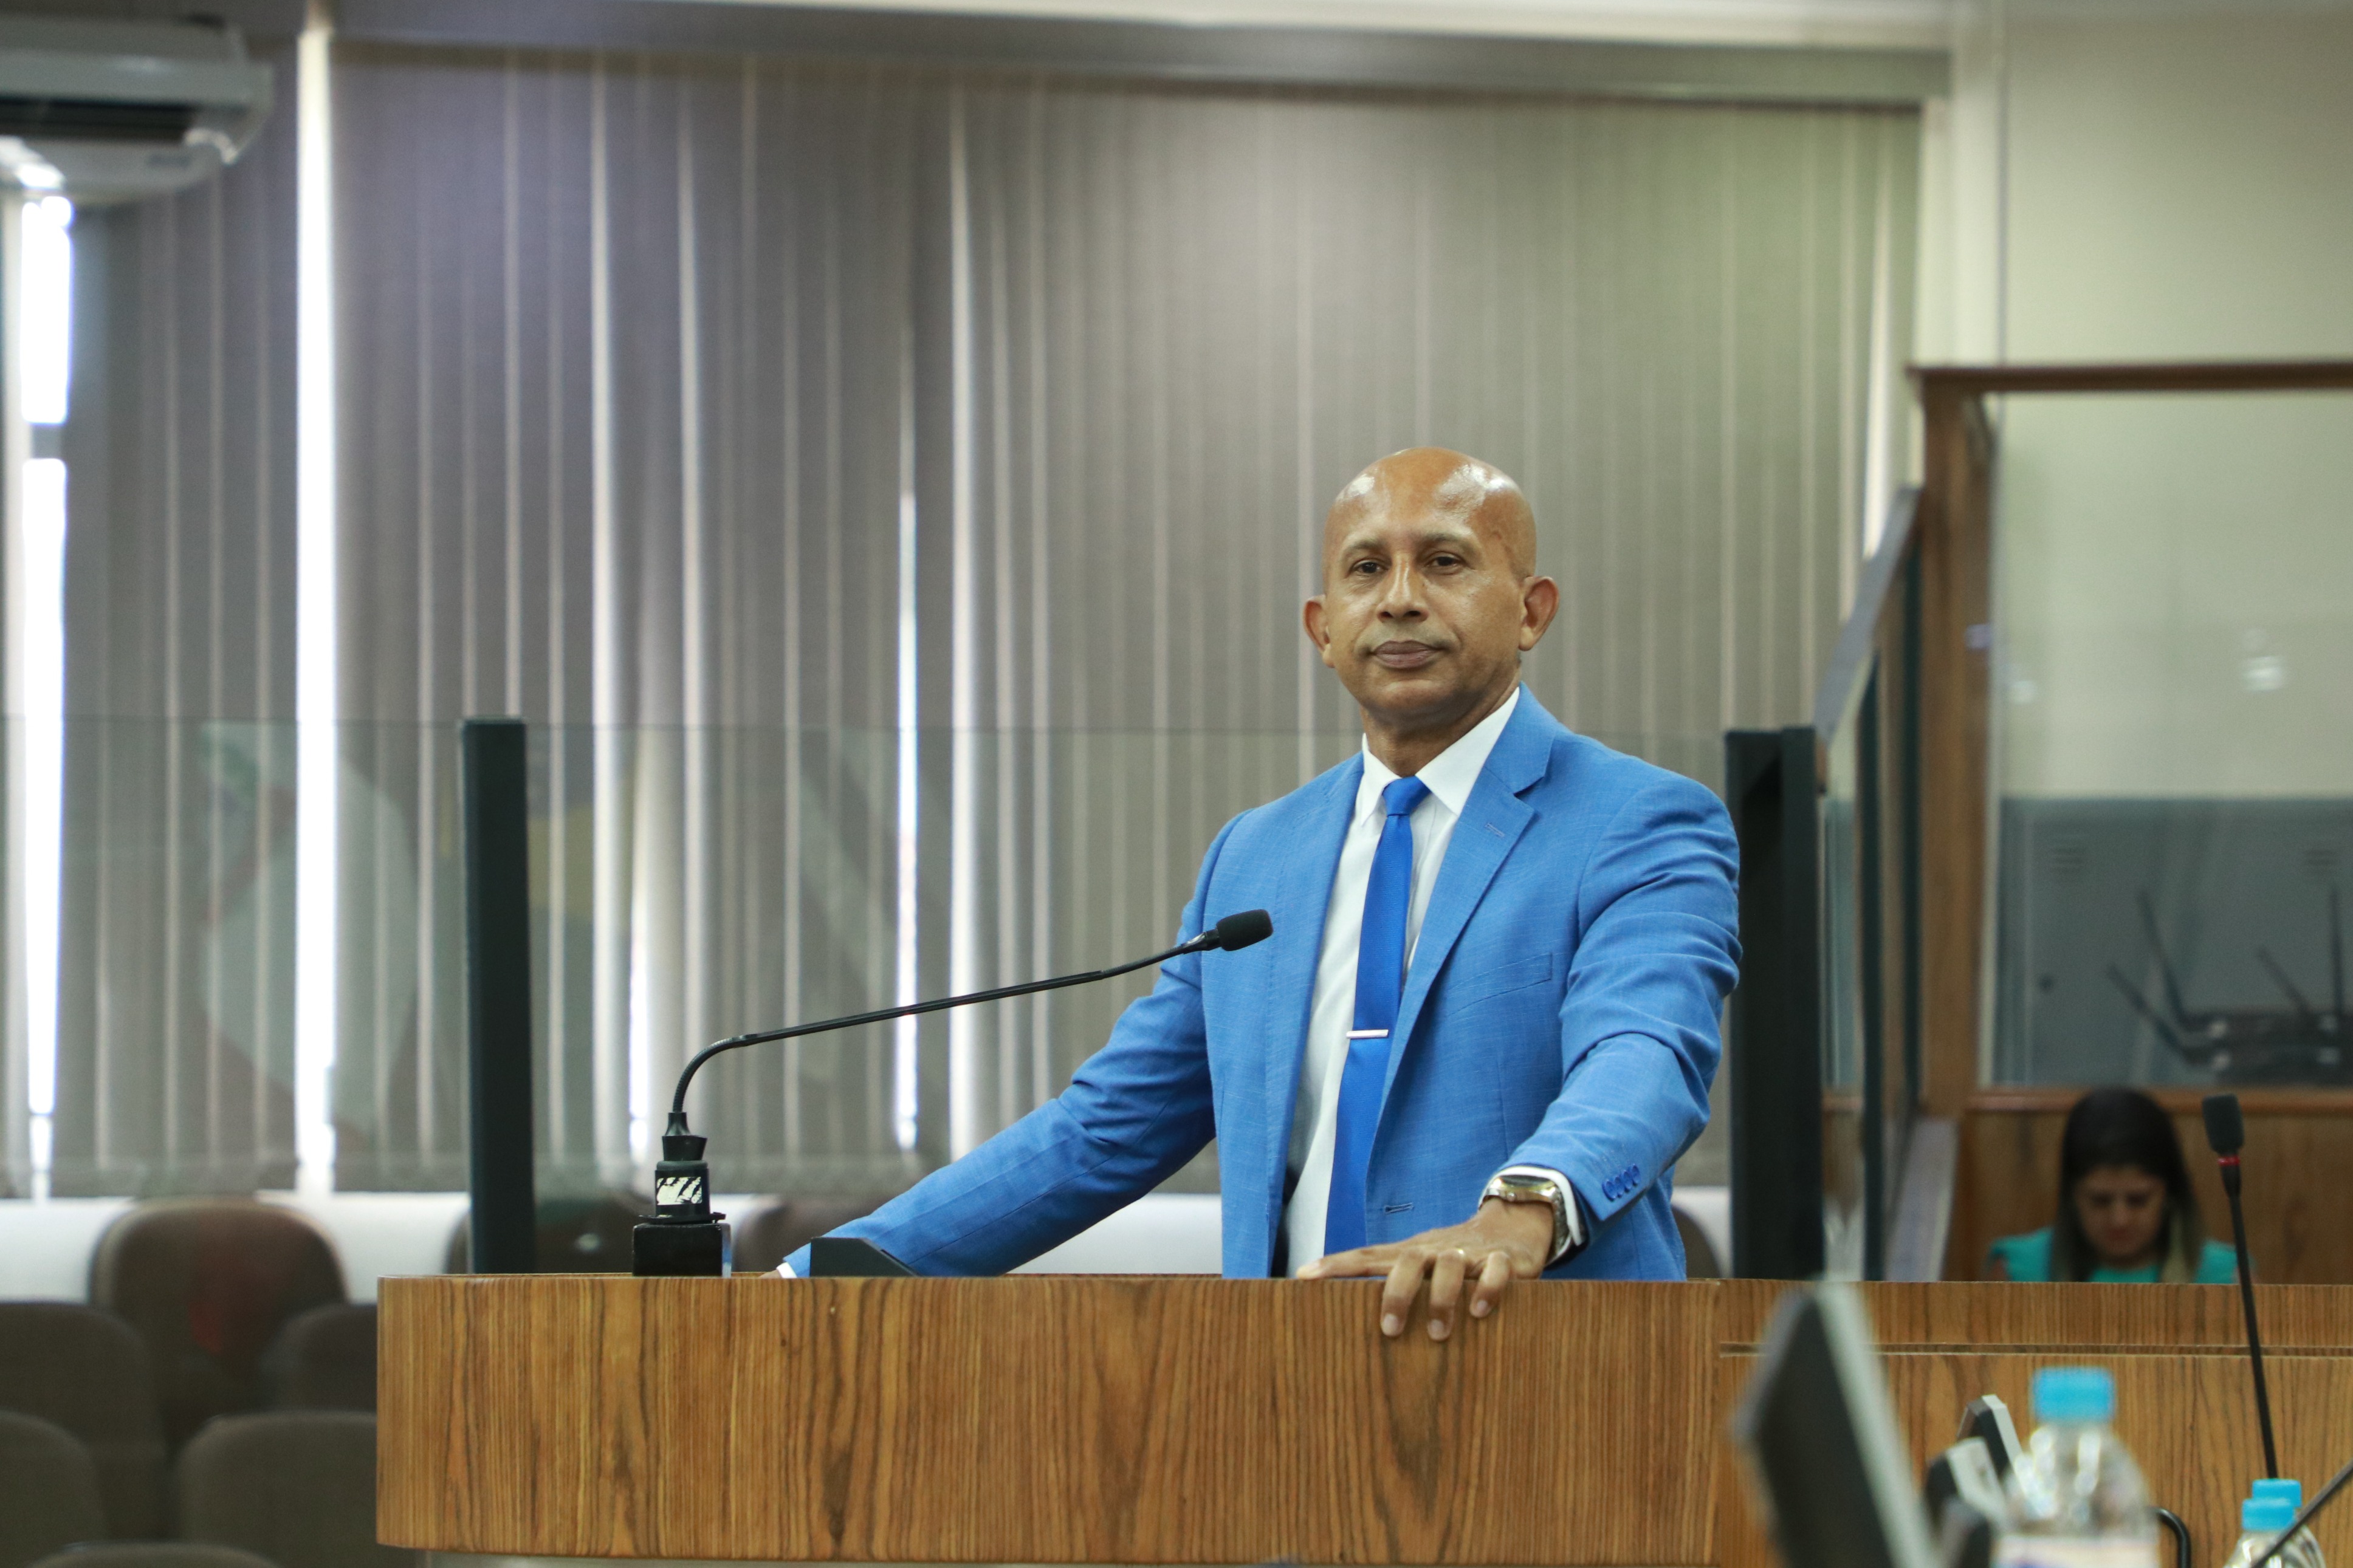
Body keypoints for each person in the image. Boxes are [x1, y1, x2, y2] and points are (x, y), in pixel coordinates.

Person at [783, 447, 1740, 1338]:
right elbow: (1106, 1130)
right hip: (1282, 1384)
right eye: (1367, 569)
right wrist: (810, 1276)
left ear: (1531, 611)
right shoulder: (1256, 856)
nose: (1400, 600)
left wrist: (1520, 1210)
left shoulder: (1637, 822)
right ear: (1323, 629)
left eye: (1445, 562)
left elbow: (1644, 1054)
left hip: (1555, 1377)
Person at [1985, 1086, 2238, 1283]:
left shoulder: (2228, 1277)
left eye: (2138, 1200)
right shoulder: (2017, 1271)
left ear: (2169, 1194)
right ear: (2073, 1195)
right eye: (2100, 1201)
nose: (2119, 1220)